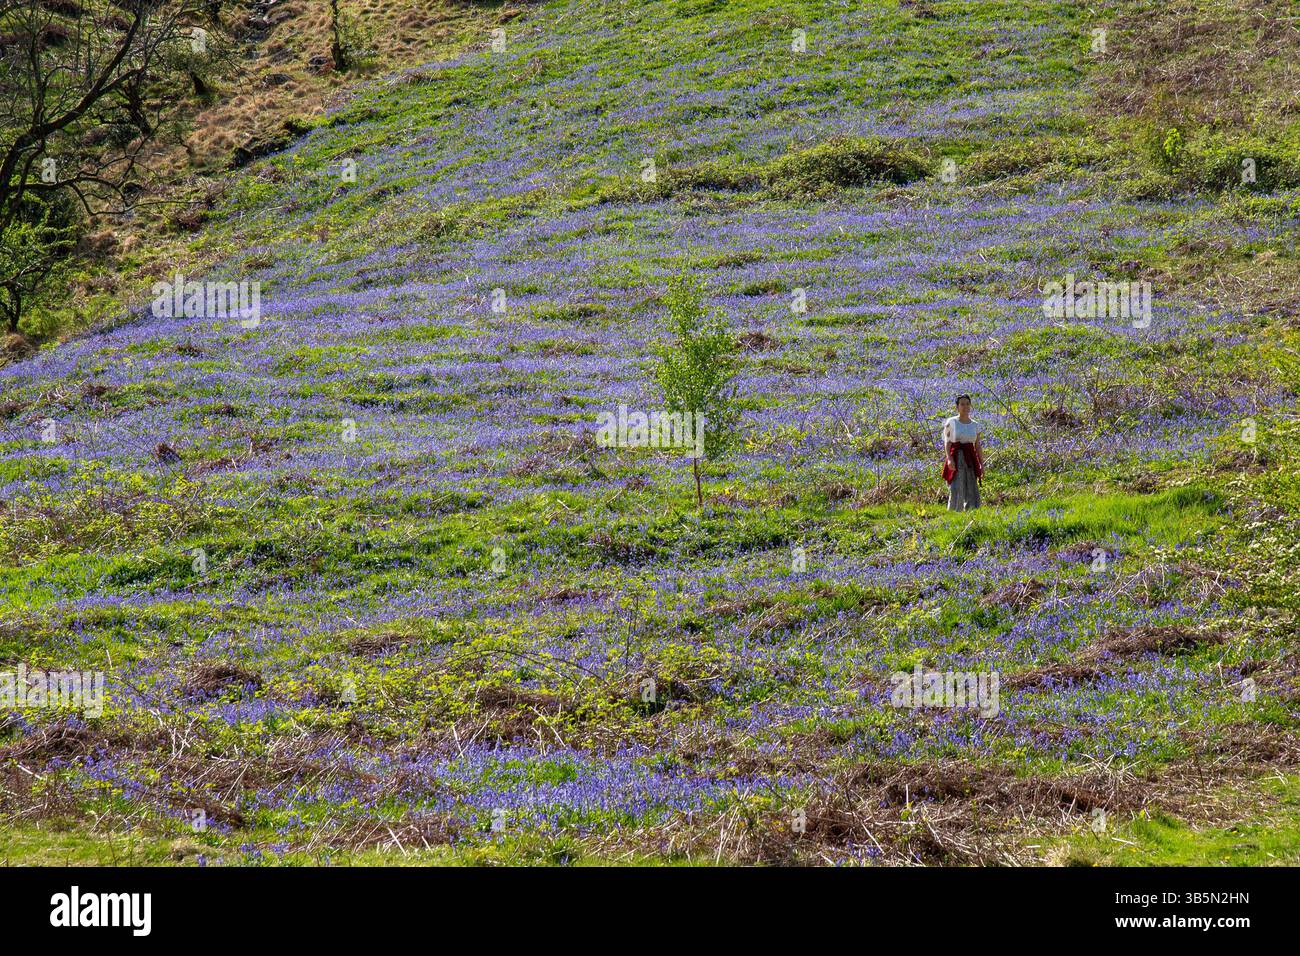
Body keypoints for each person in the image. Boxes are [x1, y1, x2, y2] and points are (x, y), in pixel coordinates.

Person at [942, 395, 983, 511]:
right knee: (957, 485)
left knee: (971, 484)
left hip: (970, 457)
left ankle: (972, 510)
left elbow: (978, 446)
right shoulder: (951, 422)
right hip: (957, 456)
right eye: (962, 404)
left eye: (967, 404)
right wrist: (949, 459)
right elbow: (948, 442)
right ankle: (955, 510)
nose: (965, 406)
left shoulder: (975, 425)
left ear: (970, 406)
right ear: (957, 407)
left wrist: (981, 464)